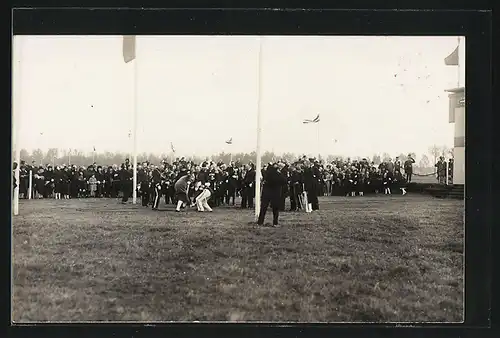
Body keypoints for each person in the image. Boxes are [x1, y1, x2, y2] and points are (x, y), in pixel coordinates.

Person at [257, 163, 287, 227]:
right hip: (275, 193)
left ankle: (260, 222)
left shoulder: (268, 173)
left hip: (266, 192)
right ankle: (275, 223)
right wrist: (280, 173)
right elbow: (284, 181)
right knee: (275, 209)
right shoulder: (278, 175)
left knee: (263, 208)